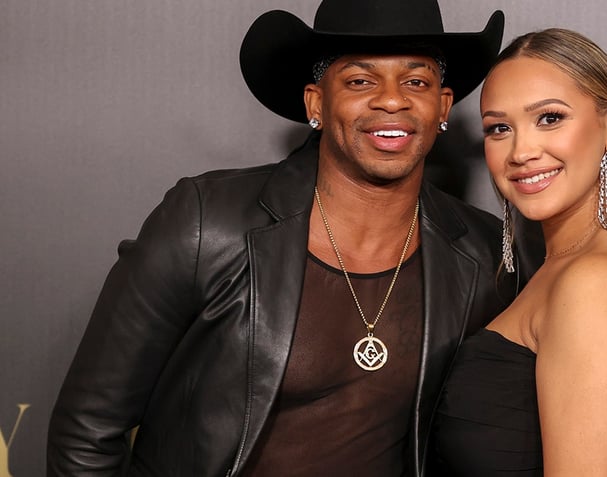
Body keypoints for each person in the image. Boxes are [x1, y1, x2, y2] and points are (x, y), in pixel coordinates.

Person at [46, 1, 529, 475]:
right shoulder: (207, 222)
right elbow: (88, 431)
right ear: (316, 102)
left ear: (442, 105)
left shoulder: (485, 255)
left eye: (416, 81)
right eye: (360, 80)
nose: (391, 99)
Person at [429, 28, 607, 476]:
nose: (521, 151)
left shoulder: (596, 283)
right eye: (499, 128)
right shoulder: (574, 266)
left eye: (550, 118)